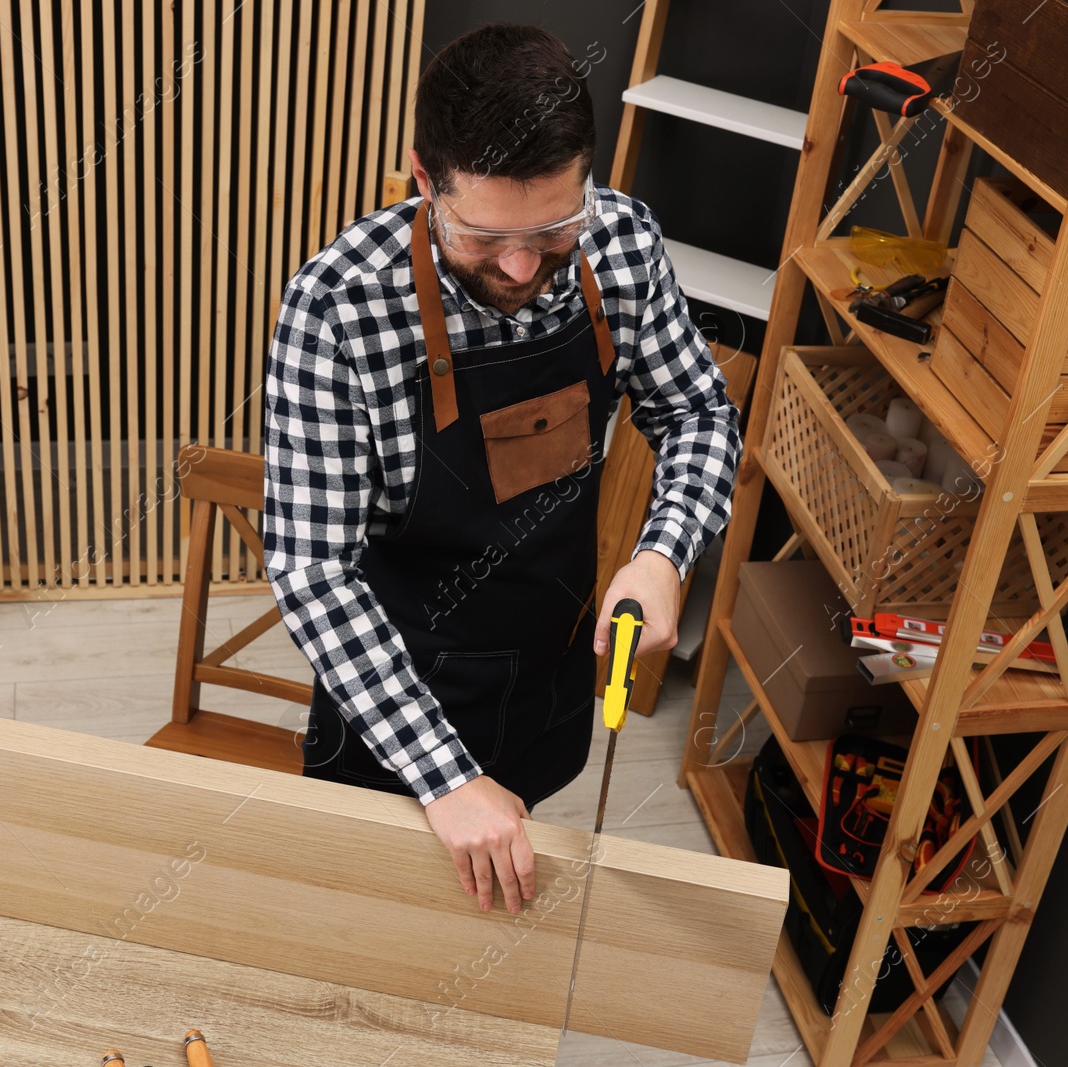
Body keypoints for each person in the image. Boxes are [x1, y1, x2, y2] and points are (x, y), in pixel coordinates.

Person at [263, 23, 741, 915]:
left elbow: (699, 412)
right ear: (423, 179)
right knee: (371, 937)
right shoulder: (338, 306)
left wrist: (664, 555)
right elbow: (312, 571)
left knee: (497, 928)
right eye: (484, 237)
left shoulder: (624, 245)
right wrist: (445, 779)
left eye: (555, 226)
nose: (523, 266)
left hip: (548, 680)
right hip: (395, 710)